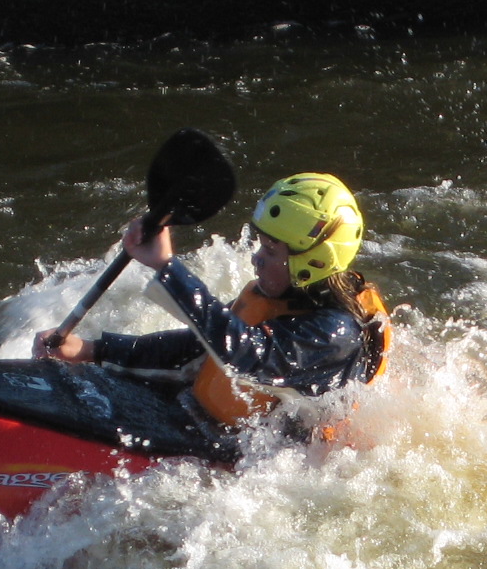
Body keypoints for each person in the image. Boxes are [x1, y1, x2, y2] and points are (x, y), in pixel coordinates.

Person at [37, 173, 391, 439]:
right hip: (210, 421)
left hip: (271, 459)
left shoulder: (333, 334)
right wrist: (93, 350)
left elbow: (245, 355)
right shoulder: (285, 296)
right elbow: (202, 344)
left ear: (312, 263)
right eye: (260, 246)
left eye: (270, 252)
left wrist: (168, 268)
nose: (256, 259)